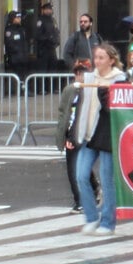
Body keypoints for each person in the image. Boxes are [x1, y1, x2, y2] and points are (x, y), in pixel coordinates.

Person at [73, 43, 128, 235]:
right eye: (96, 57)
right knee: (81, 175)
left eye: (102, 57)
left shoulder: (119, 79)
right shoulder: (89, 78)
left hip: (106, 134)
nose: (97, 61)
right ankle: (91, 217)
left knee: (107, 179)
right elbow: (80, 106)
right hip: (89, 133)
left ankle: (107, 221)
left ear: (111, 60)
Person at [56, 59, 98, 213]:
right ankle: (81, 198)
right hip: (74, 133)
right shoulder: (71, 90)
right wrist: (65, 135)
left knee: (79, 166)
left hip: (83, 133)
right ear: (77, 74)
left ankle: (85, 196)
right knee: (75, 167)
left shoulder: (89, 90)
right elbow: (65, 114)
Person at [34, 2, 61, 72]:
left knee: (53, 68)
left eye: (50, 9)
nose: (49, 10)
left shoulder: (53, 20)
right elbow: (38, 35)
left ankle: (51, 83)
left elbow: (56, 31)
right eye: (47, 9)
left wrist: (57, 40)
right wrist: (48, 38)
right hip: (43, 49)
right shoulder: (40, 20)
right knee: (43, 70)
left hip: (52, 48)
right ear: (43, 10)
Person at [4, 11, 30, 81]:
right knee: (16, 77)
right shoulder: (9, 30)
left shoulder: (21, 29)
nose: (19, 19)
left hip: (23, 58)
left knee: (23, 76)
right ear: (12, 19)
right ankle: (15, 90)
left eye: (19, 17)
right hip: (14, 59)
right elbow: (9, 45)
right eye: (17, 18)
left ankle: (22, 89)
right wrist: (16, 52)